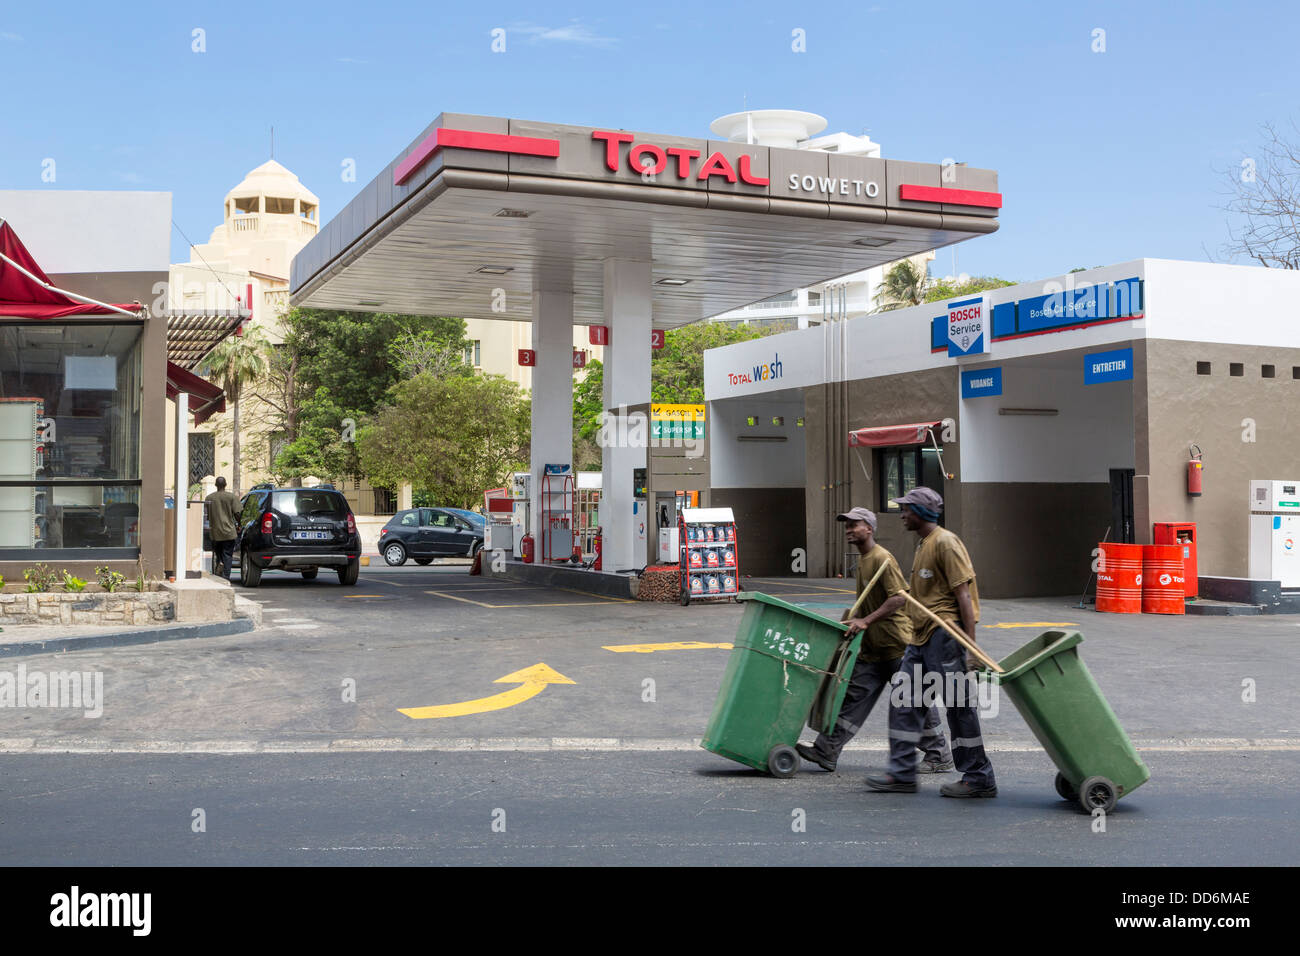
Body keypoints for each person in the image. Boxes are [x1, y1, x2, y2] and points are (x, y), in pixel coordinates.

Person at [796, 507, 953, 774]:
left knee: (912, 700)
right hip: (872, 647)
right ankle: (827, 750)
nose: (848, 530)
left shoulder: (882, 558)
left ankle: (939, 754)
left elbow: (900, 597)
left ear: (869, 528)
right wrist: (853, 620)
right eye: (846, 526)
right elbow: (870, 600)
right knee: (852, 697)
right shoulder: (865, 559)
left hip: (896, 645)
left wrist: (866, 621)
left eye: (854, 525)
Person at [866, 487, 997, 798]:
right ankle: (902, 773)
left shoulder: (946, 543)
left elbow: (964, 596)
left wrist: (971, 647)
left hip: (946, 636)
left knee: (958, 706)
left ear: (923, 512)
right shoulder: (924, 543)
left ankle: (978, 777)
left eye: (907, 509)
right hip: (921, 636)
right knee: (904, 700)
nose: (902, 514)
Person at [205, 477, 240, 581]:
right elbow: (237, 513)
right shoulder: (231, 497)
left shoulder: (209, 498)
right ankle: (226, 577)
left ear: (216, 485)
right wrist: (239, 524)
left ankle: (218, 573)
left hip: (215, 532)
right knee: (228, 555)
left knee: (218, 554)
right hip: (229, 532)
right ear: (226, 484)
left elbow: (207, 515)